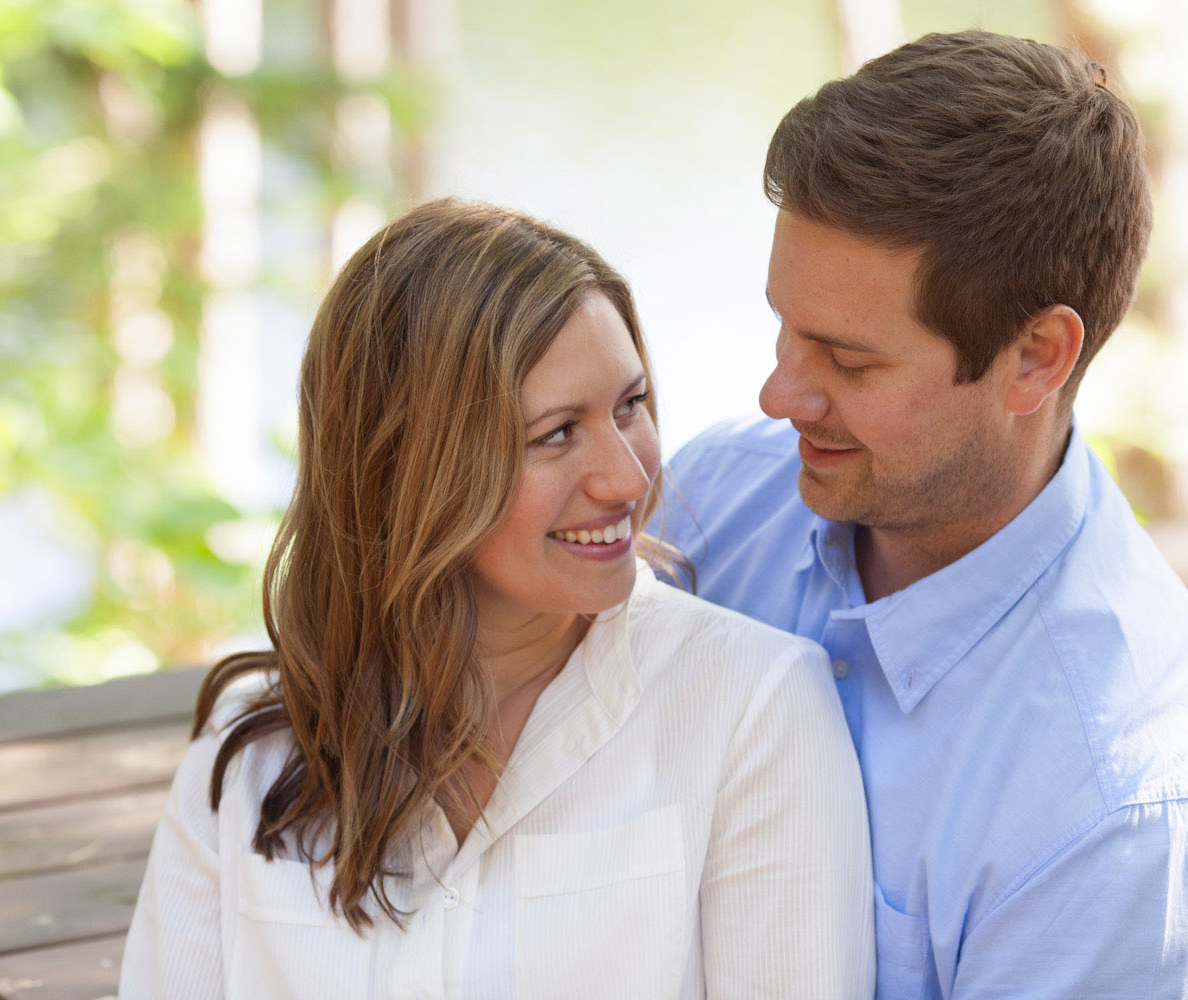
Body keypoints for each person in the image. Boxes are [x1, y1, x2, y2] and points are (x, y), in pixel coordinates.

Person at [659, 30, 1188, 1000]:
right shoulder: (715, 510)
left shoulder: (1133, 821)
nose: (777, 393)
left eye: (849, 360)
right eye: (785, 329)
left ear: (1036, 357)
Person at [119, 199, 875, 999]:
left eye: (631, 405)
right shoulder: (253, 754)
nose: (627, 478)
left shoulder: (752, 708)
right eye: (555, 433)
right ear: (401, 473)